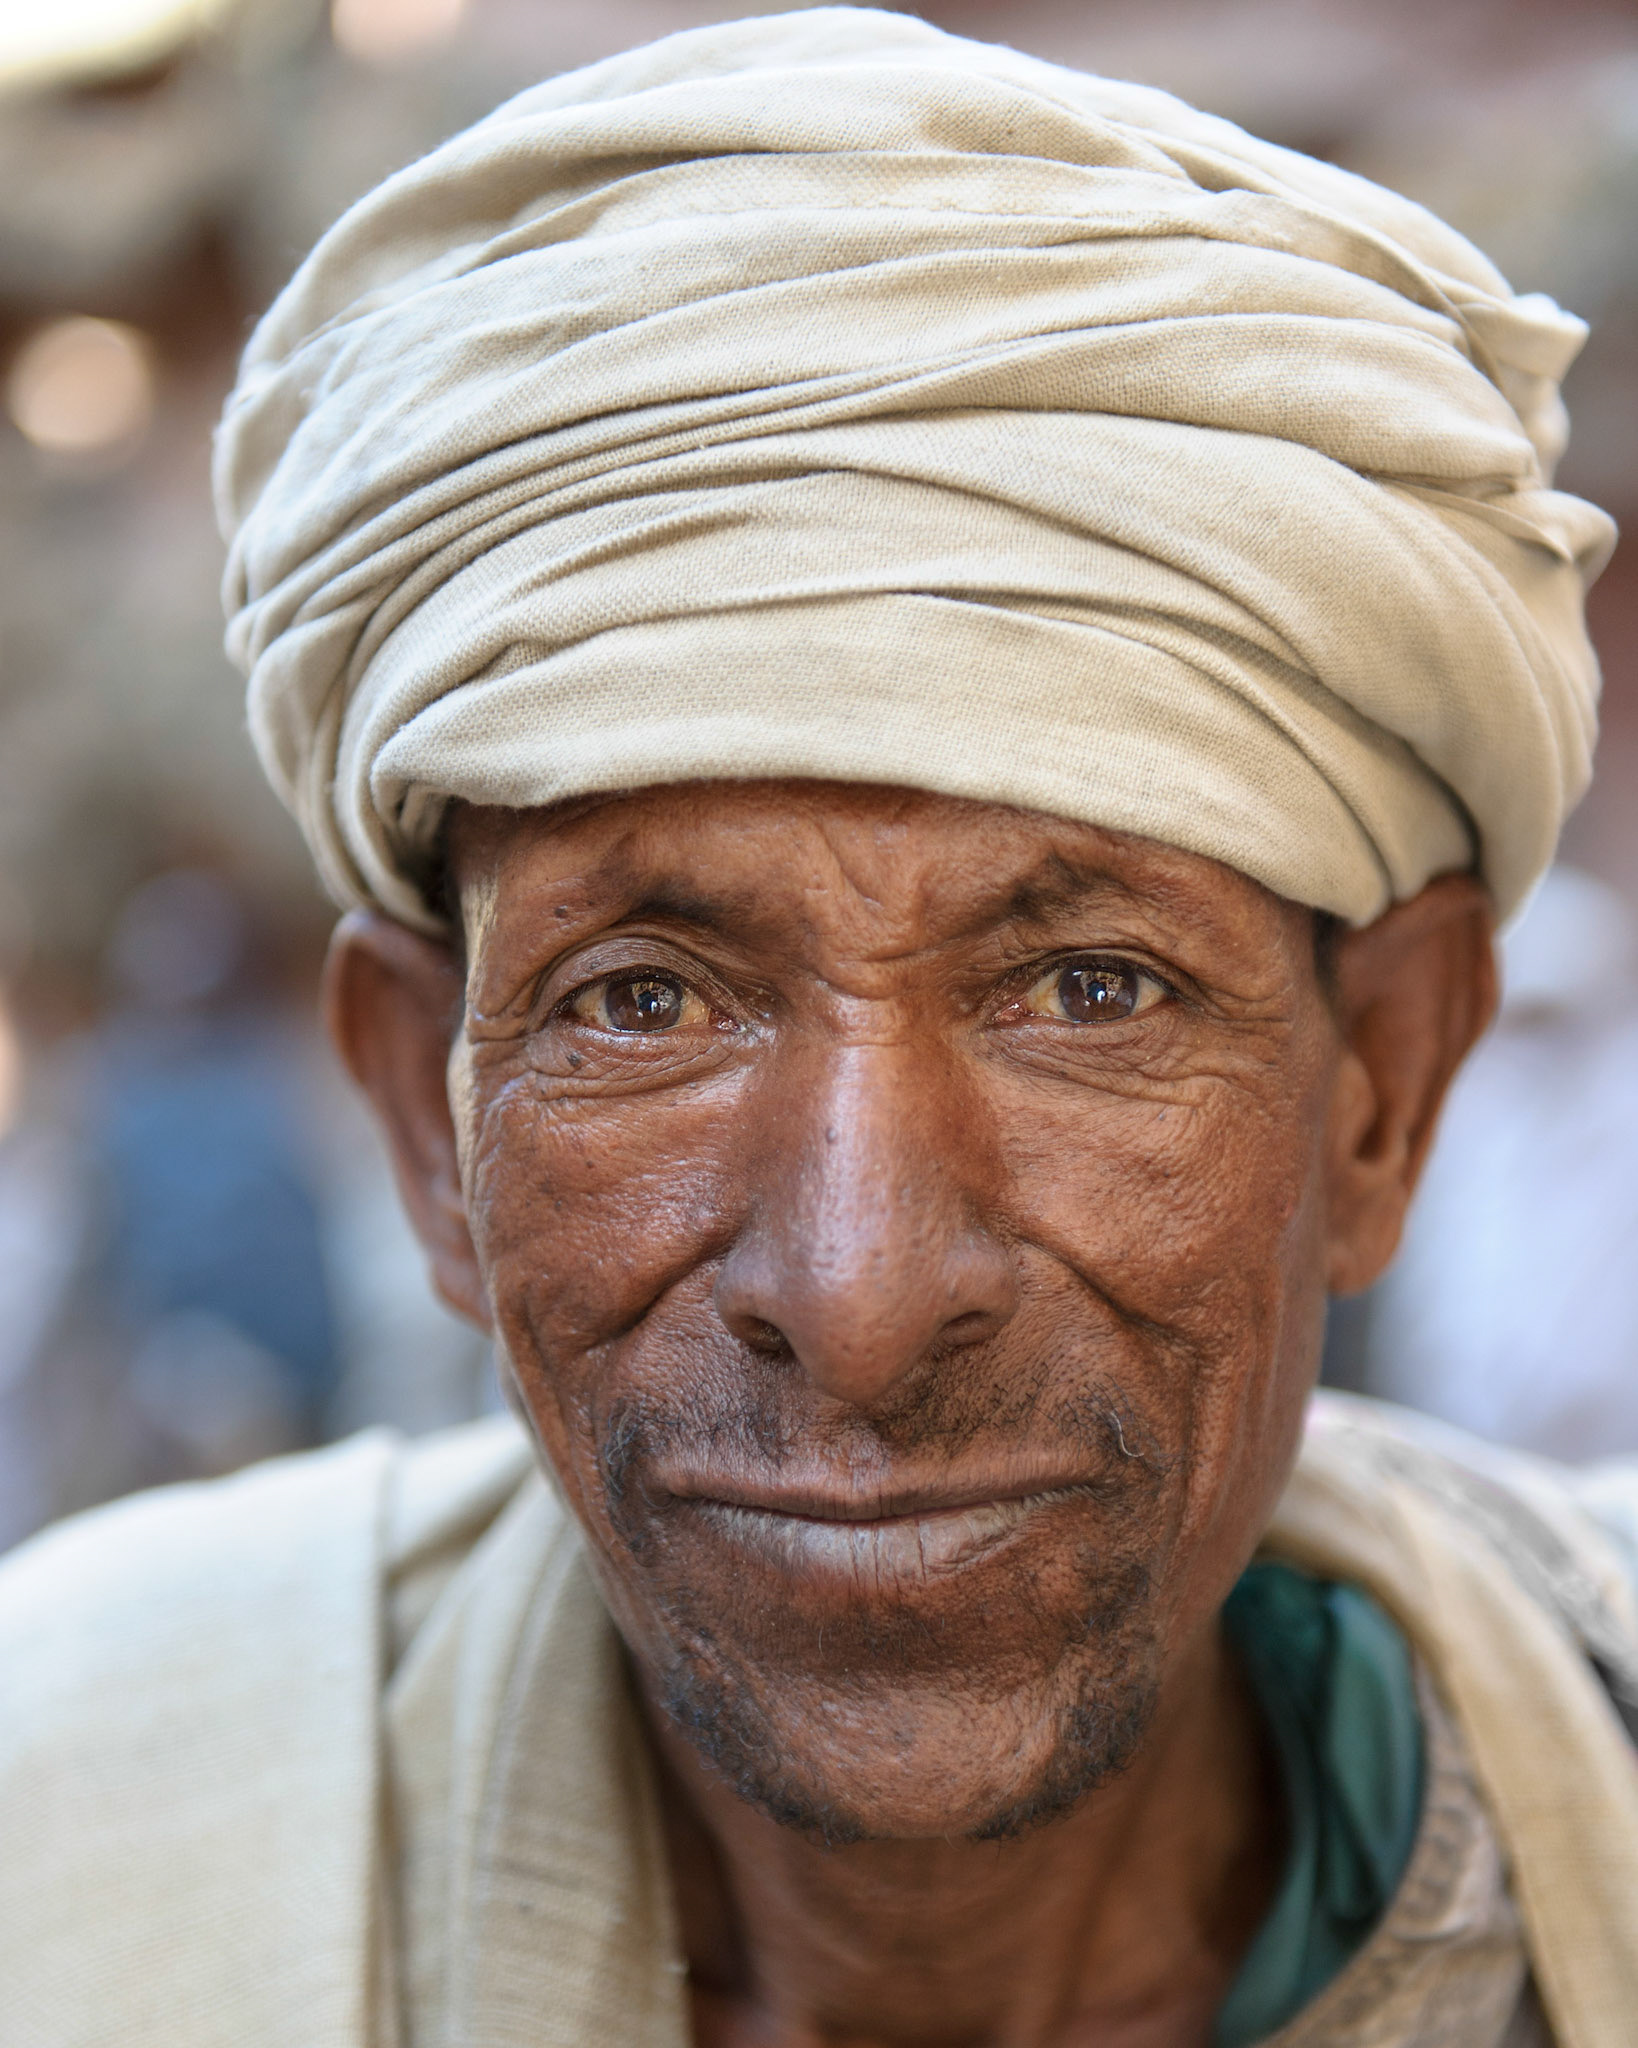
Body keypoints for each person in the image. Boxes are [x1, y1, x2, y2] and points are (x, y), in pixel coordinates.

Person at [3, 13, 1634, 2045]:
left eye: (1090, 988)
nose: (861, 1295)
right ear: (428, 1130)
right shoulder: (62, 1842)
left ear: (1383, 1084)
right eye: (646, 1002)